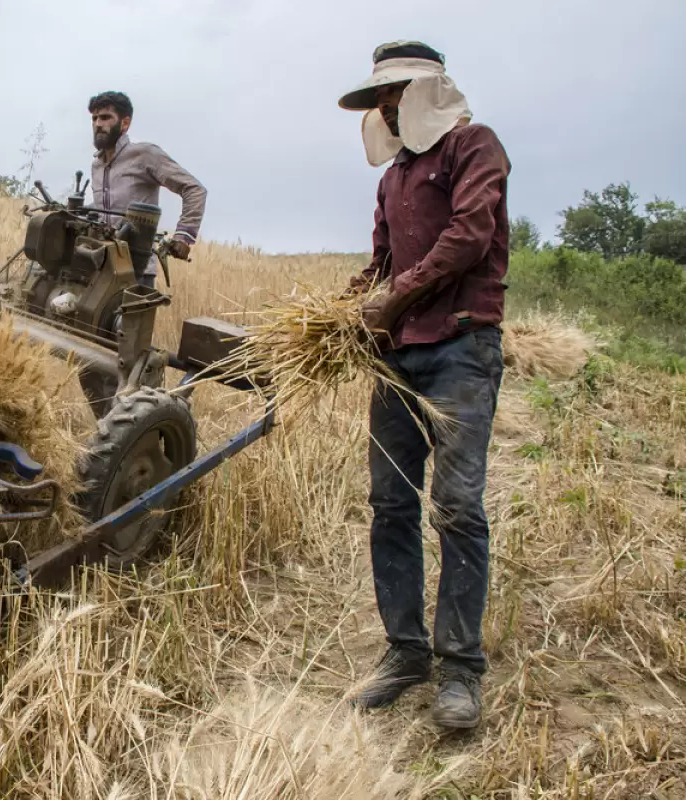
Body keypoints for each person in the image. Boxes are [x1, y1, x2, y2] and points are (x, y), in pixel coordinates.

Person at [338, 41, 512, 729]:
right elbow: (383, 262)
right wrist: (347, 307)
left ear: (427, 91)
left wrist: (395, 295)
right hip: (398, 356)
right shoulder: (395, 177)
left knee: (459, 507)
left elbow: (470, 236)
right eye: (379, 95)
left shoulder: (475, 147)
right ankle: (405, 653)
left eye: (396, 92)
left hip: (461, 347)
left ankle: (460, 668)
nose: (385, 104)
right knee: (390, 504)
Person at [88, 90, 207, 288]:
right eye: (94, 118)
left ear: (125, 123)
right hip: (102, 269)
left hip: (138, 271)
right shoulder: (96, 165)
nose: (98, 124)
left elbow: (194, 189)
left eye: (106, 117)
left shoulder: (144, 155)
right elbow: (106, 208)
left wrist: (183, 236)